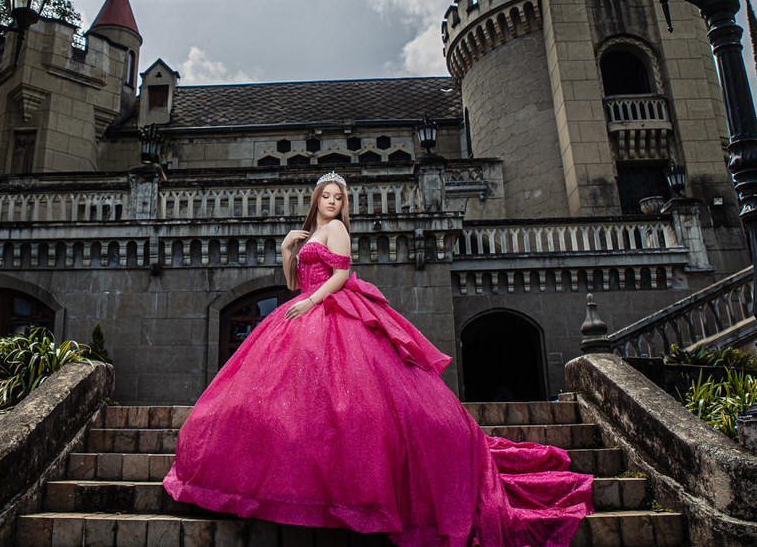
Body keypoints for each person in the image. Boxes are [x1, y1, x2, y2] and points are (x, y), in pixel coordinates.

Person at [164, 172, 592, 546]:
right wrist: (286, 249)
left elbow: (342, 275)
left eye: (338, 198)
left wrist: (311, 302)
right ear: (315, 200)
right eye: (326, 196)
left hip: (329, 309)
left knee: (354, 398)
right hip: (304, 309)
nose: (332, 203)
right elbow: (293, 280)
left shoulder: (337, 232)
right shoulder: (310, 234)